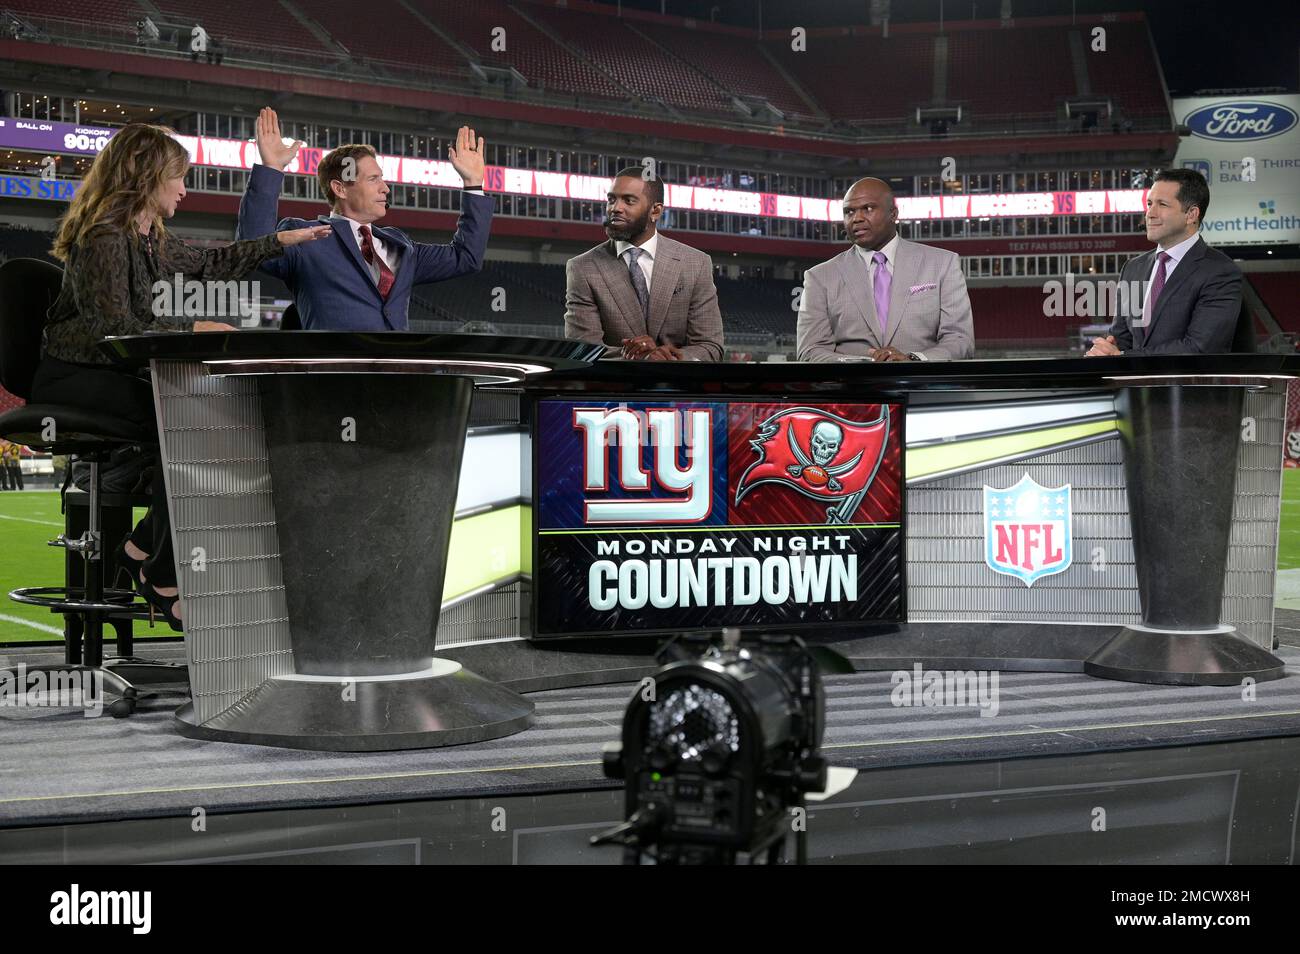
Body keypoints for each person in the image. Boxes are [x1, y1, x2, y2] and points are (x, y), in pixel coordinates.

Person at [35, 123, 329, 628]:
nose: (184, 189)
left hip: (115, 374)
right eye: (178, 178)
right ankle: (158, 568)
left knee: (213, 422)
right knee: (194, 427)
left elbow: (209, 264)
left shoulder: (151, 236)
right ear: (149, 177)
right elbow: (115, 328)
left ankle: (142, 549)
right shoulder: (106, 234)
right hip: (75, 376)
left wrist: (277, 241)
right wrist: (192, 323)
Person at [237, 107, 492, 331]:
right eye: (374, 179)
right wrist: (271, 168)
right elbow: (251, 247)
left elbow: (466, 258)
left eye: (382, 179)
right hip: (336, 377)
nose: (386, 188)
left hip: (397, 378)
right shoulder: (305, 238)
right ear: (340, 188)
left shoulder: (402, 246)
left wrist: (473, 184)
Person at [797, 177, 974, 362]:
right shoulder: (819, 277)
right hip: (853, 388)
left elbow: (960, 340)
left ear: (893, 214)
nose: (856, 218)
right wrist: (859, 364)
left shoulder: (943, 264)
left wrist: (914, 360)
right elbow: (810, 350)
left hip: (922, 387)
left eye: (868, 208)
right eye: (849, 212)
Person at [563, 167, 723, 361]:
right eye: (611, 199)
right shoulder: (582, 267)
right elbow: (583, 350)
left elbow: (711, 347)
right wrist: (639, 357)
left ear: (655, 211)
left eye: (628, 201)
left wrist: (671, 359)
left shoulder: (696, 263)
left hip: (680, 386)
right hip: (615, 388)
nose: (615, 208)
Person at [1086, 168, 1244, 356]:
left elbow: (1200, 347)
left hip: (1190, 385)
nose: (1150, 213)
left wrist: (1122, 358)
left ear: (1191, 214)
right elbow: (1122, 338)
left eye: (1162, 204)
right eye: (1149, 203)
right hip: (1138, 386)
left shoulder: (1220, 271)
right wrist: (1104, 351)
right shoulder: (1133, 268)